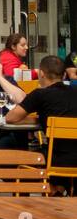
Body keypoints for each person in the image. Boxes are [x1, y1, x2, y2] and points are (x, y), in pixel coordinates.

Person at [7, 55, 77, 190]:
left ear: (41, 74)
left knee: (20, 160)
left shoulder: (39, 94)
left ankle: (46, 193)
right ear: (63, 76)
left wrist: (44, 119)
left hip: (55, 160)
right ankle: (59, 189)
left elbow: (11, 118)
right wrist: (45, 119)